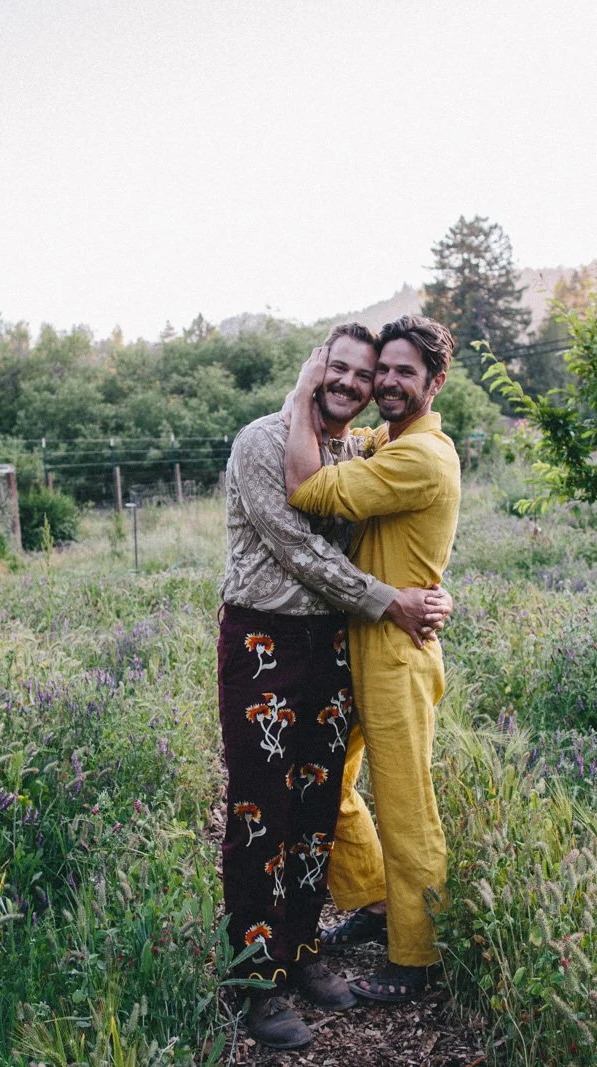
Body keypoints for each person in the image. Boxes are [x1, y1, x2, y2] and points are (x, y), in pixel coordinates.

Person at [217, 321, 453, 1049]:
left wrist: (430, 590)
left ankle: (304, 953)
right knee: (263, 813)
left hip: (331, 646)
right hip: (264, 641)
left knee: (317, 808)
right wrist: (393, 600)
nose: (357, 382)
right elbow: (303, 553)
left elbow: (403, 527)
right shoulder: (262, 442)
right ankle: (257, 981)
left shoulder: (360, 447)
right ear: (316, 369)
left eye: (368, 371)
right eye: (342, 368)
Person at [283, 314, 461, 1004]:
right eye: (380, 368)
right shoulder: (388, 438)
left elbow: (311, 486)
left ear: (434, 382)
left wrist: (304, 392)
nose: (385, 381)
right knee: (331, 781)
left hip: (396, 650)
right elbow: (344, 443)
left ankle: (417, 958)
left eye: (403, 372)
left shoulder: (422, 456)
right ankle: (381, 900)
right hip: (363, 631)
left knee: (406, 802)